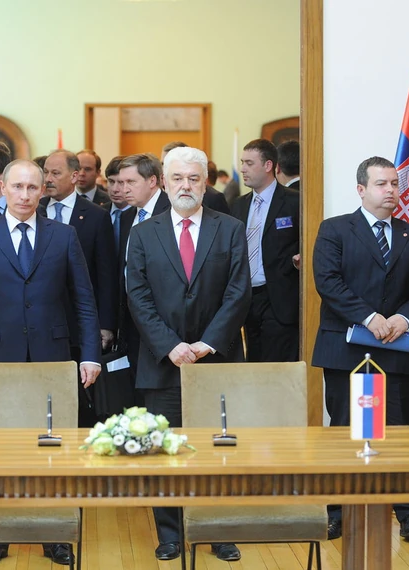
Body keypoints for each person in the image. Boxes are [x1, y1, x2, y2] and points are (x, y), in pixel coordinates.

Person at [0, 159, 101, 566]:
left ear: (43, 191)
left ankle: (54, 534)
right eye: (17, 187)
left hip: (51, 359)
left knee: (52, 448)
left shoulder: (64, 235)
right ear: (3, 188)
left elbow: (84, 302)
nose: (24, 195)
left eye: (32, 188)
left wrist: (91, 355)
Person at [126, 146, 252, 562]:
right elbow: (137, 295)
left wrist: (207, 342)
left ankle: (217, 531)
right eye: (177, 178)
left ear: (205, 183)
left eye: (193, 178)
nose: (185, 186)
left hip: (216, 360)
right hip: (162, 362)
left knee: (217, 450)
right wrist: (170, 345)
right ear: (163, 182)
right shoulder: (143, 233)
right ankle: (170, 534)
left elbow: (239, 292)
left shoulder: (230, 228)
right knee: (165, 451)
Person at [312, 156, 409, 542]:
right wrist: (369, 317)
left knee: (397, 432)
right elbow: (328, 281)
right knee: (345, 430)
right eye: (381, 184)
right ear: (361, 189)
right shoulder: (335, 229)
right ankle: (338, 511)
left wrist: (404, 319)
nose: (390, 191)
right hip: (345, 347)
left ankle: (408, 514)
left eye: (395, 184)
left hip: (395, 347)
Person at [39, 149, 118, 427]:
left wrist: (106, 325)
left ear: (74, 176)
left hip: (78, 322)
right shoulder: (35, 210)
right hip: (42, 322)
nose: (48, 179)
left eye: (55, 173)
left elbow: (106, 275)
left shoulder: (96, 216)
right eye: (45, 172)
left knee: (79, 398)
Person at [232, 138, 300, 362]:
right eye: (242, 162)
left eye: (249, 163)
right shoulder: (239, 205)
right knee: (253, 363)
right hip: (247, 300)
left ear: (268, 165)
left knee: (278, 367)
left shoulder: (294, 201)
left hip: (280, 300)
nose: (243, 169)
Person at [116, 153, 170, 379]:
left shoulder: (171, 211)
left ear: (152, 181)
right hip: (131, 318)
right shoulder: (127, 216)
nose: (124, 189)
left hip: (164, 319)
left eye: (131, 182)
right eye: (121, 182)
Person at [160, 141, 230, 215]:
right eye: (162, 163)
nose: (186, 186)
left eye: (193, 179)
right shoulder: (160, 196)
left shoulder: (213, 198)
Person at [105, 155, 130, 254]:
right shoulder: (98, 214)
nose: (115, 189)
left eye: (121, 183)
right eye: (111, 181)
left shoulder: (140, 215)